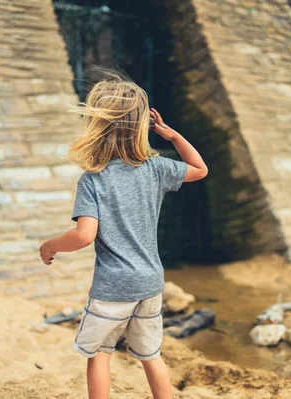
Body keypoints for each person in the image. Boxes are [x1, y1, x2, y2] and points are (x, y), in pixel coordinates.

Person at [38, 74, 208, 399]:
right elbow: (200, 169)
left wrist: (50, 246)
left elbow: (85, 235)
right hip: (150, 283)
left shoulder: (94, 180)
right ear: (143, 124)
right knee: (150, 355)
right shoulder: (155, 168)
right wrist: (171, 135)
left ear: (97, 127)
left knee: (100, 355)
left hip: (113, 288)